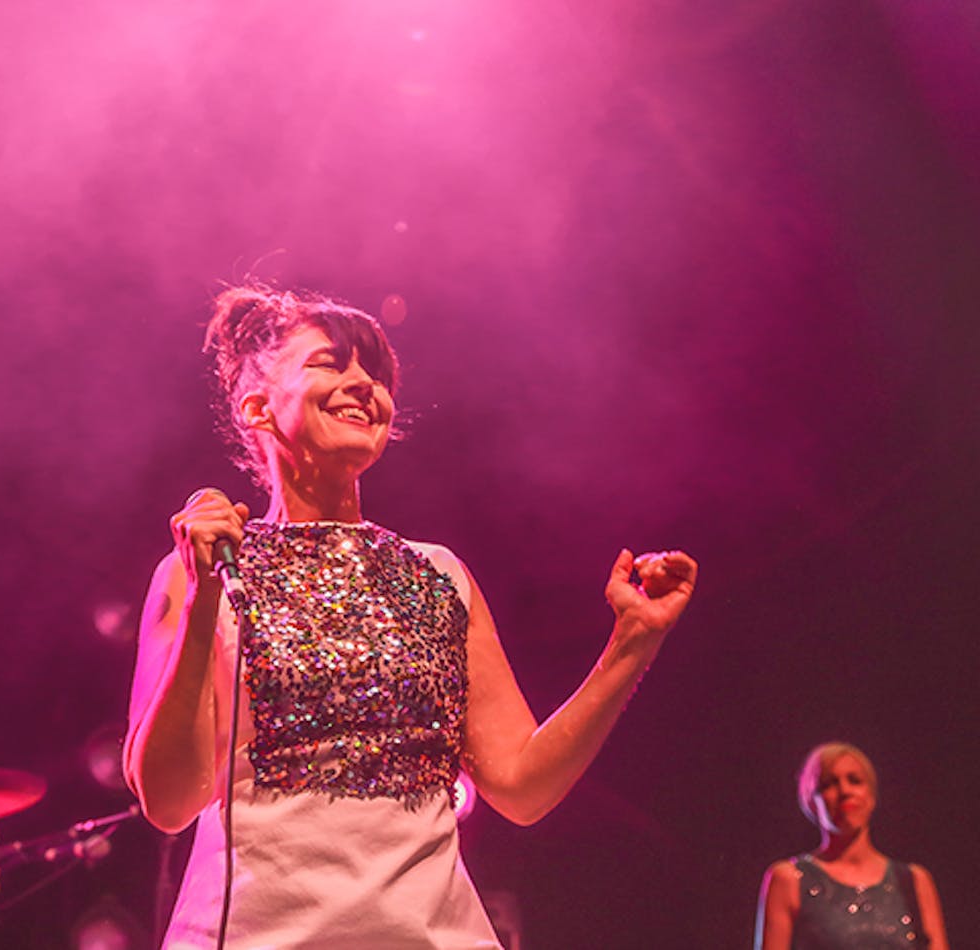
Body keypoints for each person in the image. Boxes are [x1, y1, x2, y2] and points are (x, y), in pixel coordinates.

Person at [123, 284, 699, 947]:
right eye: (330, 364)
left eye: (376, 373)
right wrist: (202, 601)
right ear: (258, 407)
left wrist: (633, 643)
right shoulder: (204, 572)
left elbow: (522, 785)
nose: (364, 385)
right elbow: (167, 803)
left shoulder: (440, 574)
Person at [754, 742, 949, 950]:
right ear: (811, 801)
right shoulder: (788, 880)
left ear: (872, 795)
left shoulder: (914, 881)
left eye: (855, 781)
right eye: (828, 784)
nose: (845, 791)